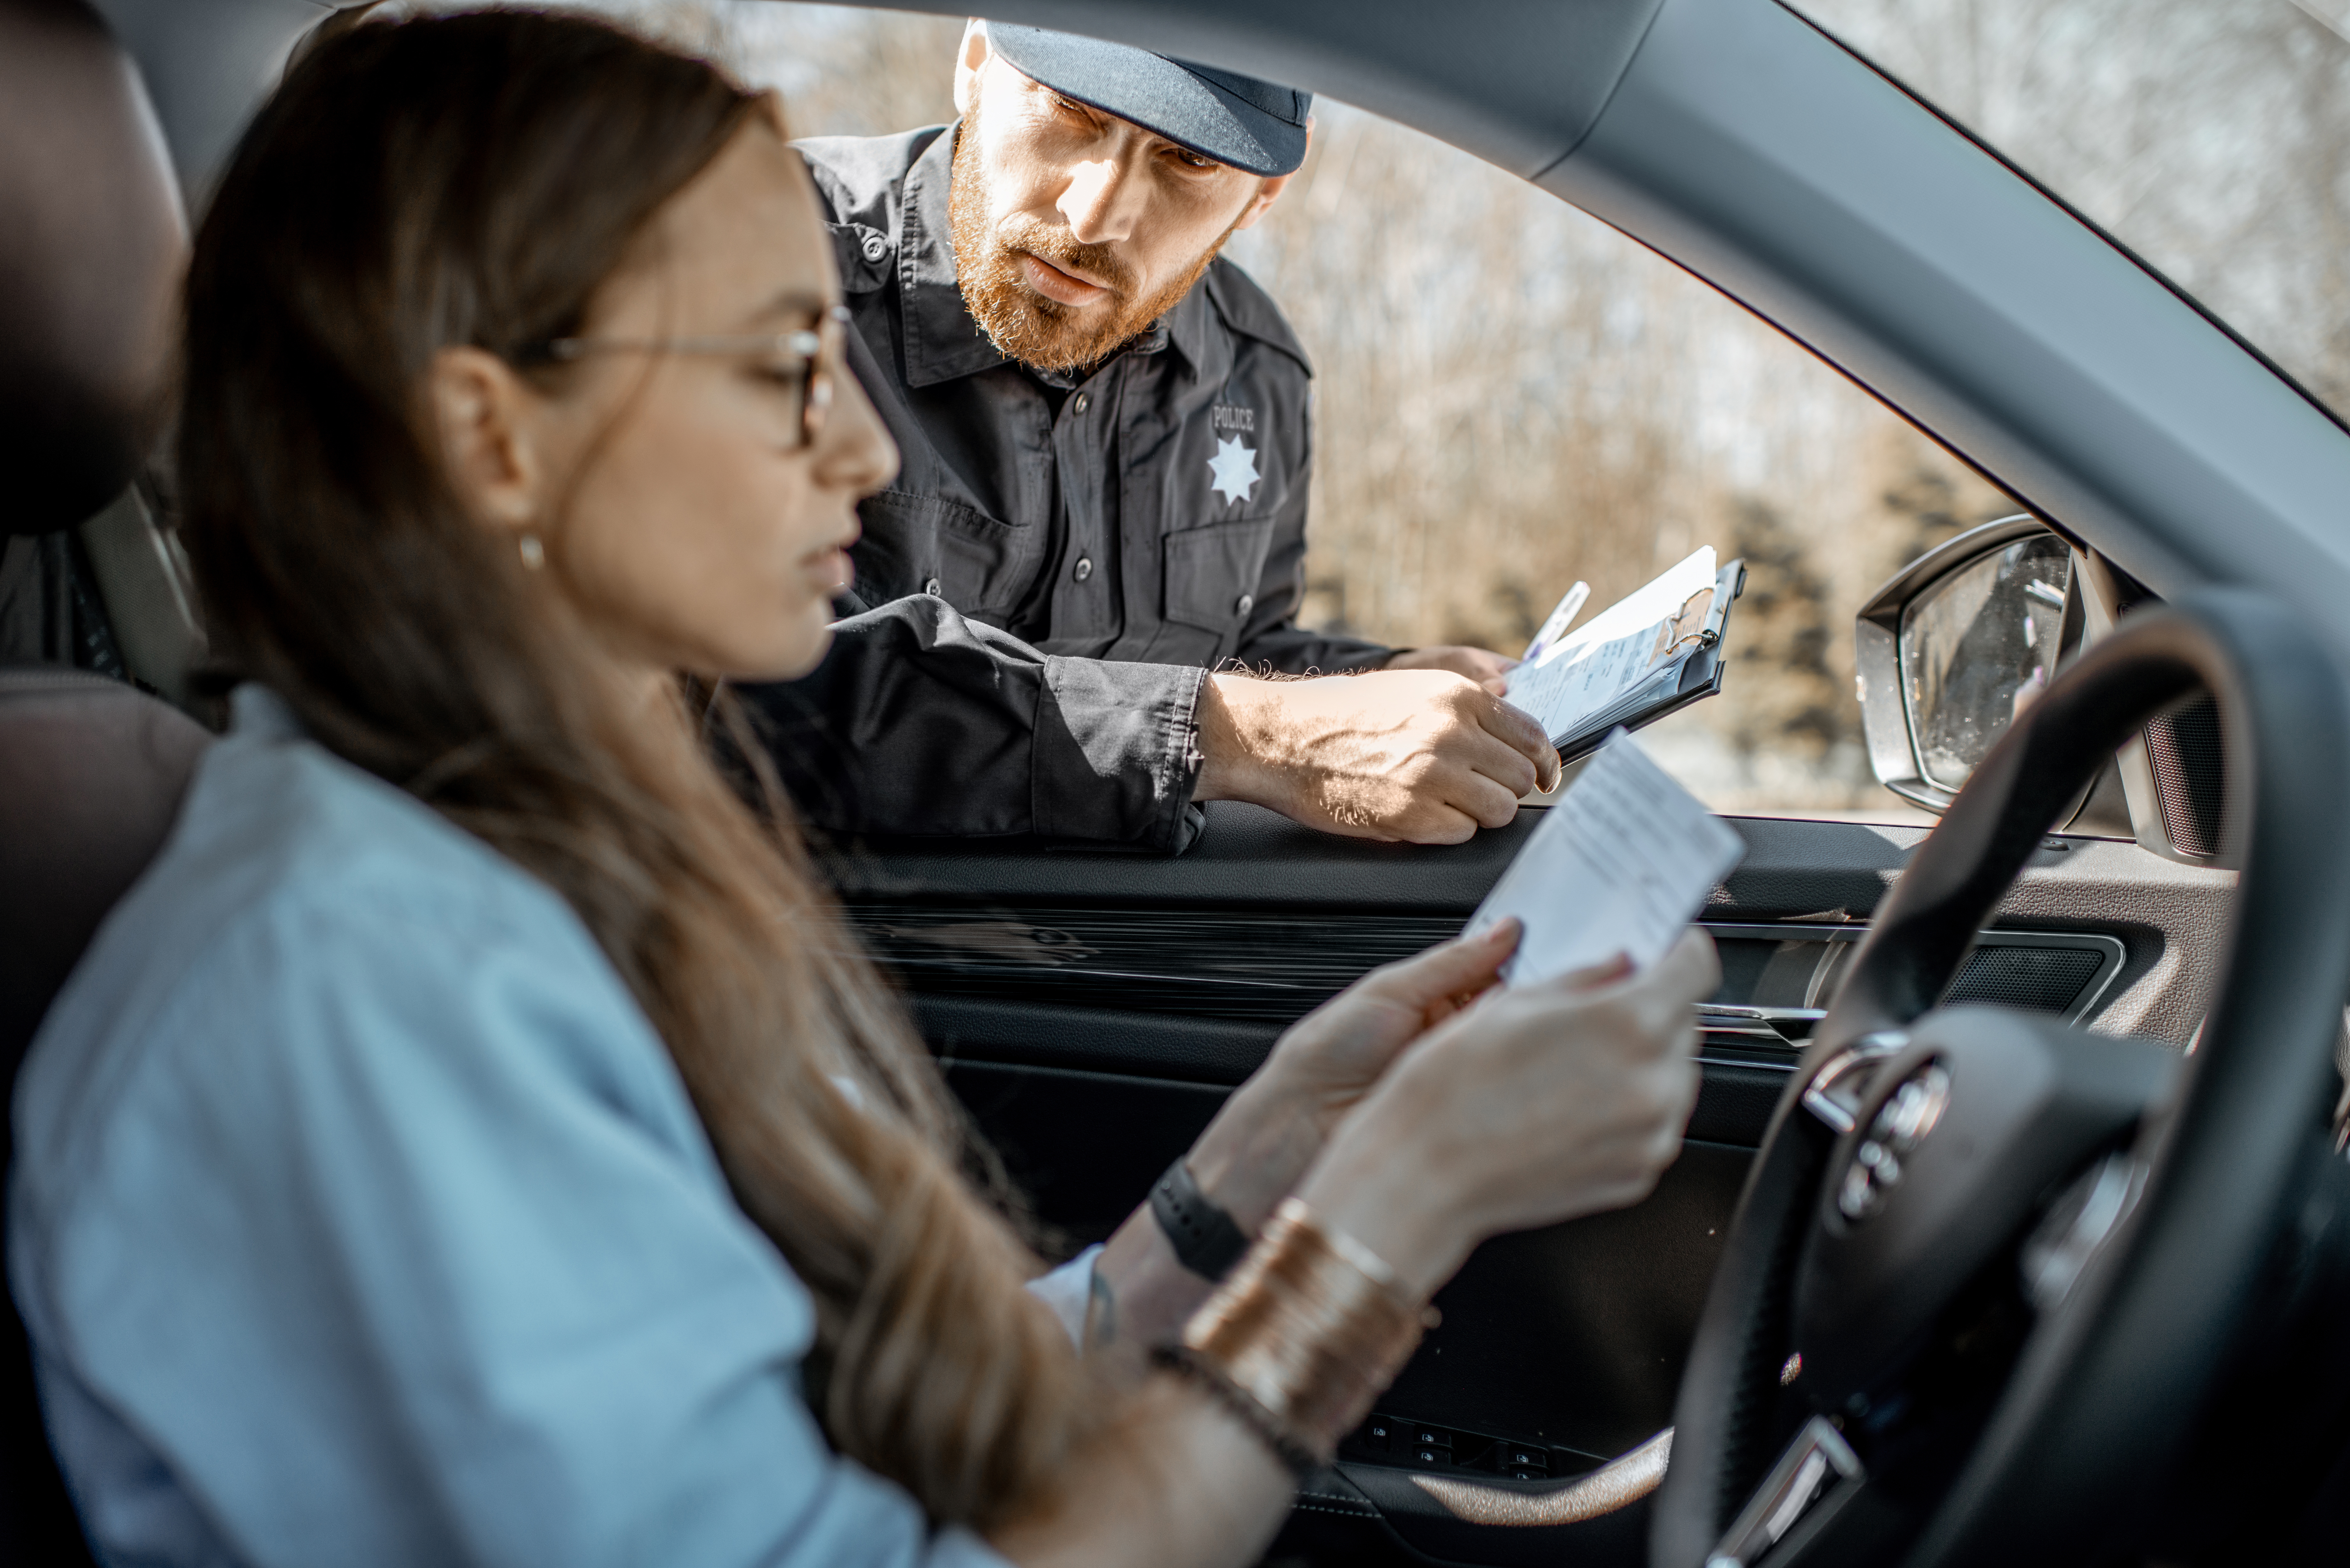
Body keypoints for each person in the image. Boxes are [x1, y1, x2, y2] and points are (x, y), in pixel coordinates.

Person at [9, 14, 1718, 1566]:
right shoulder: (364, 993)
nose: (878, 451)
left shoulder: (550, 887)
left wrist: (1270, 1151)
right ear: (496, 436)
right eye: (780, 371)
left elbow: (856, 1424)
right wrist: (1390, 1217)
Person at [749, 20, 1557, 853]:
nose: (1094, 215)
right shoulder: (758, 254)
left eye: (1190, 160)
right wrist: (1250, 737)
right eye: (1070, 109)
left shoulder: (1258, 369)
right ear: (977, 63)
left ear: (1263, 197)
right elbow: (728, 688)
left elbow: (1237, 646)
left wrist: (1381, 686)